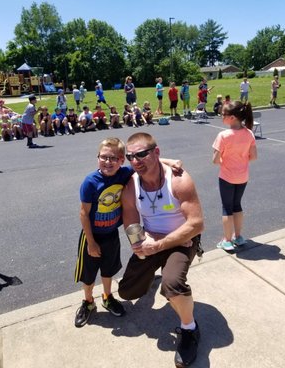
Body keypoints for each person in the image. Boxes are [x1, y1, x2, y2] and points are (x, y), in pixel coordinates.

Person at [74, 137, 182, 328]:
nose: (108, 162)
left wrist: (171, 162)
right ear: (97, 157)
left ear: (122, 160)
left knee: (108, 269)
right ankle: (88, 301)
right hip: (92, 236)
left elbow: (145, 162)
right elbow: (84, 214)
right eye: (104, 157)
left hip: (111, 235)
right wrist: (90, 242)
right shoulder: (91, 182)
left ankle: (107, 297)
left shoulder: (123, 174)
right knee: (89, 274)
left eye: (114, 158)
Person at [118, 132, 204, 368]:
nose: (136, 161)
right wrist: (138, 244)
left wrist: (160, 243)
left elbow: (196, 224)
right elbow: (131, 222)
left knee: (173, 285)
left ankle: (190, 329)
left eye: (142, 154)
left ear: (156, 152)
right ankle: (153, 279)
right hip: (153, 239)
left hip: (183, 240)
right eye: (131, 156)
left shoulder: (178, 179)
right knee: (126, 292)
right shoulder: (130, 185)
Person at [212, 100, 257, 251]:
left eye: (223, 114)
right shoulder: (249, 133)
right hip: (242, 176)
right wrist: (242, 159)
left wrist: (224, 160)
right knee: (237, 205)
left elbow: (215, 160)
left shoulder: (223, 135)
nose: (221, 116)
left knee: (227, 208)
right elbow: (254, 156)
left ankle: (226, 240)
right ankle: (238, 236)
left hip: (227, 176)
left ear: (232, 117)